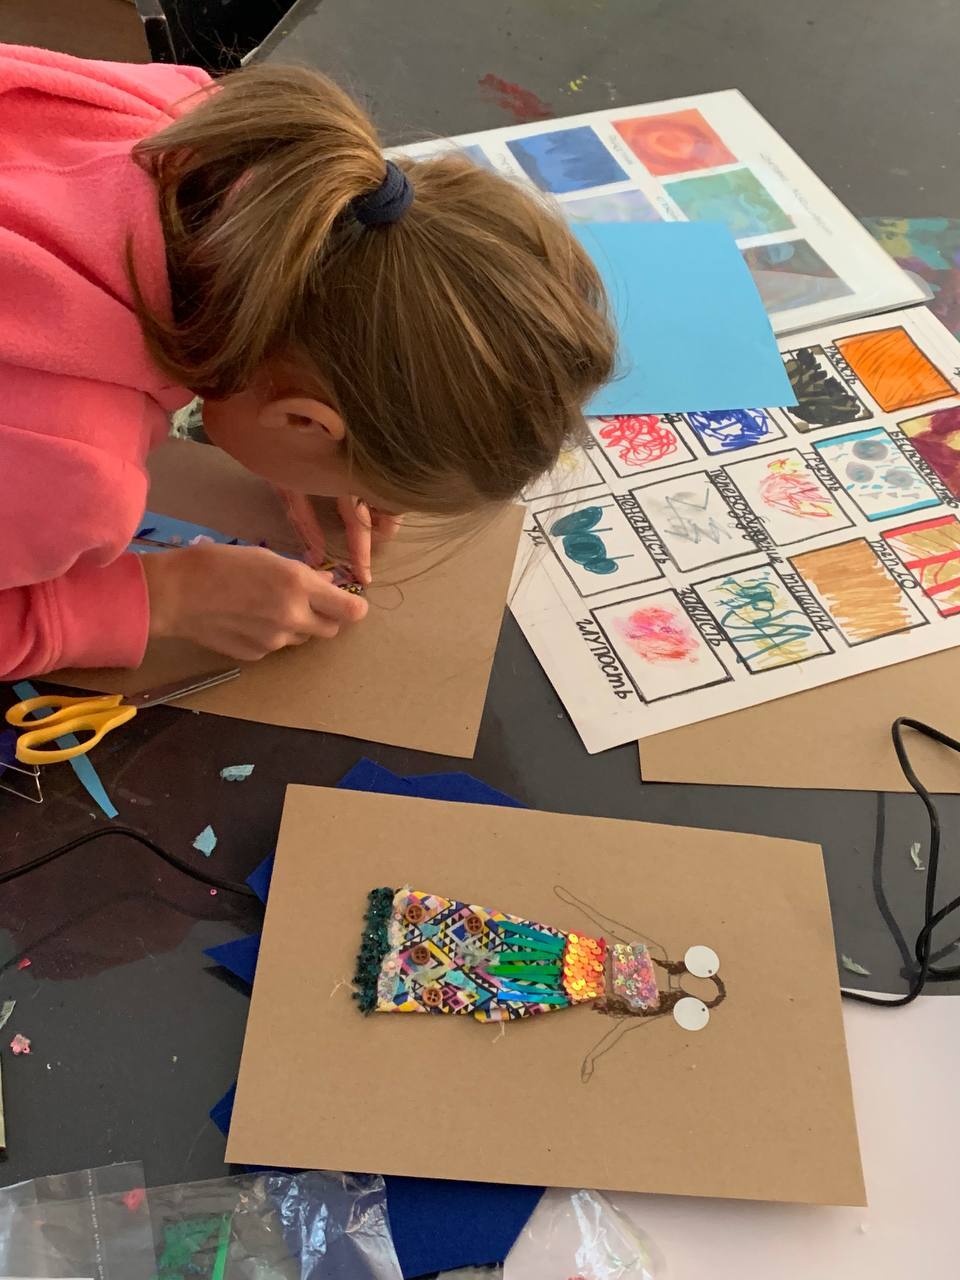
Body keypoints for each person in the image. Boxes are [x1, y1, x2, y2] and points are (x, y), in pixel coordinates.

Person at [0, 44, 614, 678]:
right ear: (303, 421)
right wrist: (163, 599)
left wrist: (289, 398)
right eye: (357, 487)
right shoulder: (71, 466)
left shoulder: (190, 121)